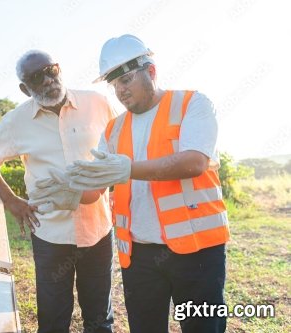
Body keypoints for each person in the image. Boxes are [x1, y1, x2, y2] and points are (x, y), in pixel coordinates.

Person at [64, 35, 230, 332]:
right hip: (139, 256)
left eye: (126, 80)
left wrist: (127, 168)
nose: (120, 91)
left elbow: (194, 162)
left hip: (197, 251)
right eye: (114, 85)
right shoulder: (114, 129)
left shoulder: (192, 104)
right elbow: (95, 192)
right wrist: (67, 191)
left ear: (150, 72)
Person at [0, 50, 117, 333]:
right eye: (36, 77)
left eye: (50, 70)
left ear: (59, 68)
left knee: (99, 318)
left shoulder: (97, 103)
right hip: (51, 232)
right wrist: (10, 200)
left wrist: (105, 187)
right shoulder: (16, 122)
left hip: (98, 229)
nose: (47, 80)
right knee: (53, 319)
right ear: (24, 88)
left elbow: (120, 148)